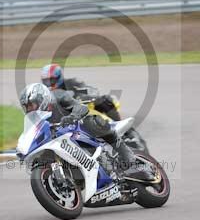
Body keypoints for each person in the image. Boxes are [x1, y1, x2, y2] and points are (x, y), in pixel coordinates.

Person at [19, 83, 153, 181]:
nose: (30, 109)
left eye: (31, 105)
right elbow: (31, 134)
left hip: (78, 128)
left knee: (95, 122)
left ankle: (131, 161)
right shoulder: (35, 119)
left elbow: (80, 107)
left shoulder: (58, 96)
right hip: (62, 142)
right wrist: (24, 151)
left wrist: (72, 116)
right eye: (27, 107)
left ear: (41, 98)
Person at [41, 63, 121, 121]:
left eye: (51, 80)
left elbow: (92, 91)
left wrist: (82, 98)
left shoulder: (72, 83)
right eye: (46, 81)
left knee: (105, 100)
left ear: (59, 77)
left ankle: (119, 125)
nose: (49, 83)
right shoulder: (44, 92)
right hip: (63, 116)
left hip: (82, 108)